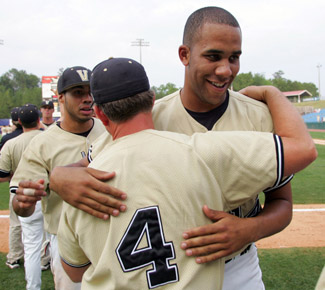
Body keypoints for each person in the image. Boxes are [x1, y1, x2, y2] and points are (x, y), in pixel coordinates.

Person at [47, 7, 297, 289]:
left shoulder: (258, 115)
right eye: (213, 56)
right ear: (184, 55)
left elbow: (282, 202)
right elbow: (85, 167)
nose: (226, 69)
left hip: (240, 264)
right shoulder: (153, 116)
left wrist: (249, 230)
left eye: (234, 57)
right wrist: (58, 176)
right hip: (177, 267)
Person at [10, 66, 106, 290]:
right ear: (60, 98)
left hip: (109, 235)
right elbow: (20, 204)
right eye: (78, 93)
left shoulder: (108, 128)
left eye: (90, 92)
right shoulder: (43, 143)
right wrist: (23, 203)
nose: (87, 99)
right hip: (66, 242)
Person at [0, 104, 45, 289]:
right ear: (38, 119)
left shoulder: (10, 142)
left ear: (19, 121)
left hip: (19, 192)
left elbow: (2, 175)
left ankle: (14, 259)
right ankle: (46, 262)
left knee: (21, 232)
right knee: (52, 236)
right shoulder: (47, 138)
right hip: (45, 191)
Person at [0, 106, 24, 269]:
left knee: (16, 224)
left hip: (16, 185)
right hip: (41, 186)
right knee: (41, 226)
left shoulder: (8, 138)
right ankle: (44, 259)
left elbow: (2, 174)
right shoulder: (43, 136)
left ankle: (15, 257)